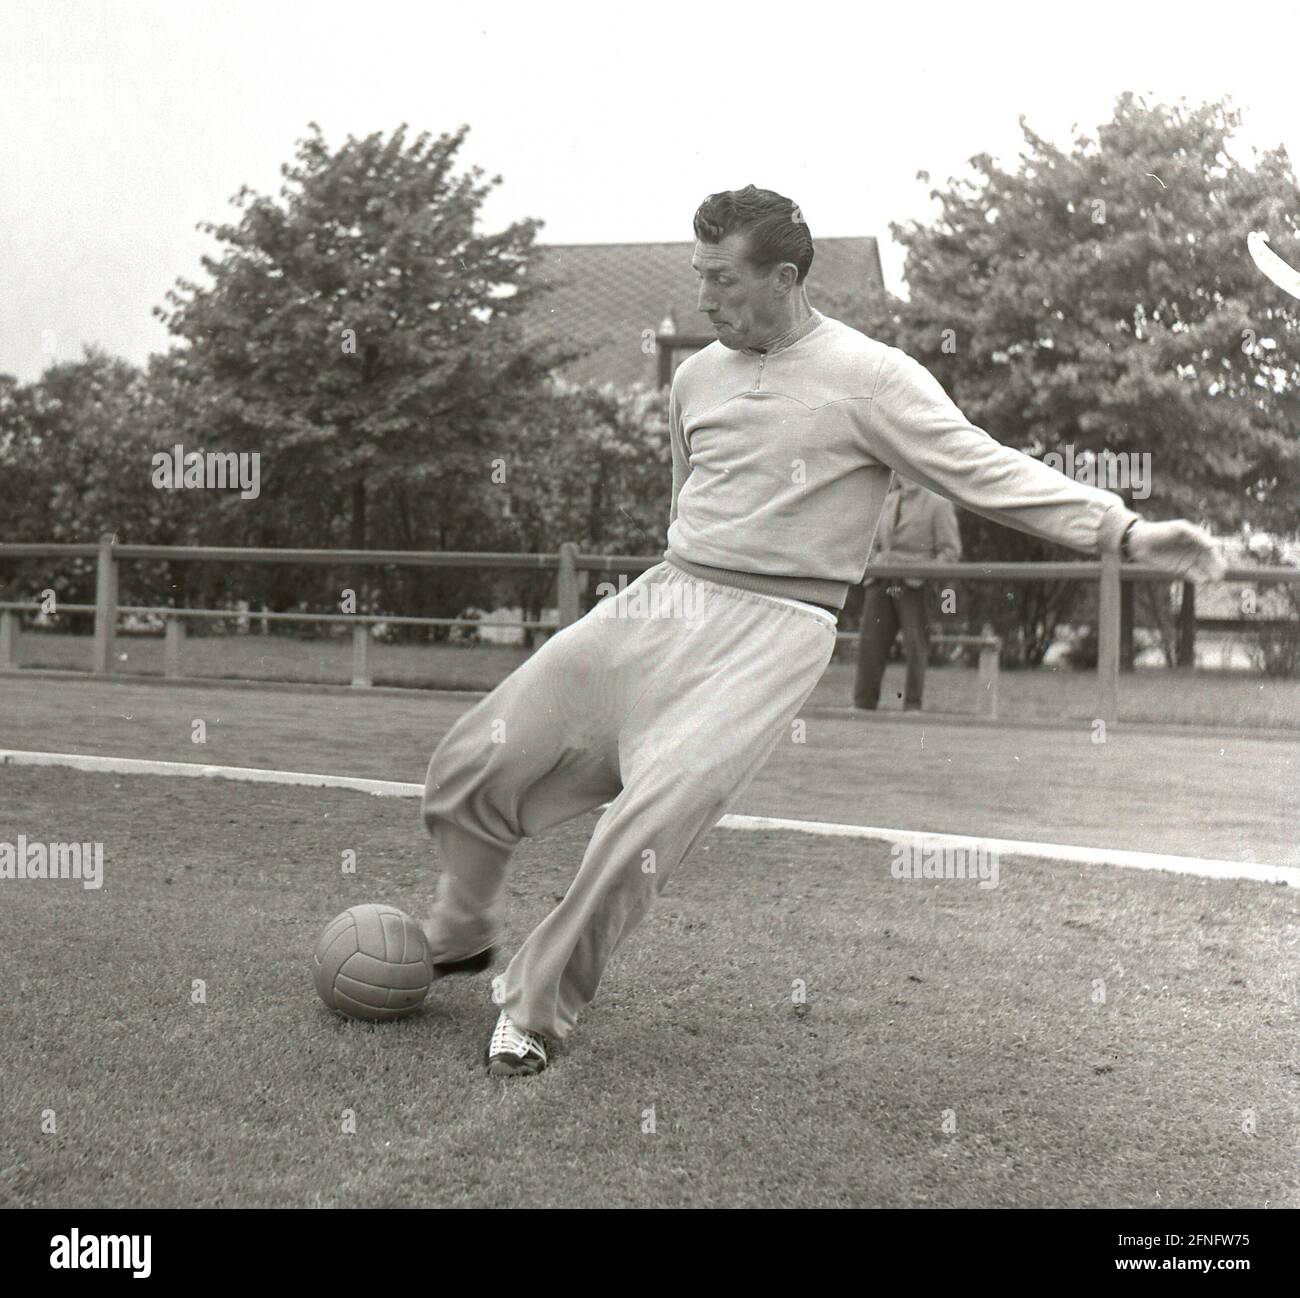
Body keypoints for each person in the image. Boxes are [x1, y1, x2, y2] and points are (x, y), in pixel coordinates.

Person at [420, 185, 1224, 1077]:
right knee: (472, 757)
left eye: (723, 279)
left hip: (775, 632)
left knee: (641, 829)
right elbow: (687, 500)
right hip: (666, 597)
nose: (704, 298)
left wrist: (1127, 531)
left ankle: (533, 1009)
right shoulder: (696, 376)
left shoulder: (872, 377)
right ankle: (458, 932)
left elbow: (983, 470)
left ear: (786, 277)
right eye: (699, 275)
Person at [854, 476, 961, 711]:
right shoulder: (887, 501)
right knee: (870, 645)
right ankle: (863, 705)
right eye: (901, 470)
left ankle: (913, 707)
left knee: (915, 648)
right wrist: (876, 562)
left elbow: (949, 553)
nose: (906, 476)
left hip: (915, 586)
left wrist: (921, 572)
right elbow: (873, 545)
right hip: (881, 582)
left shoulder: (939, 504)